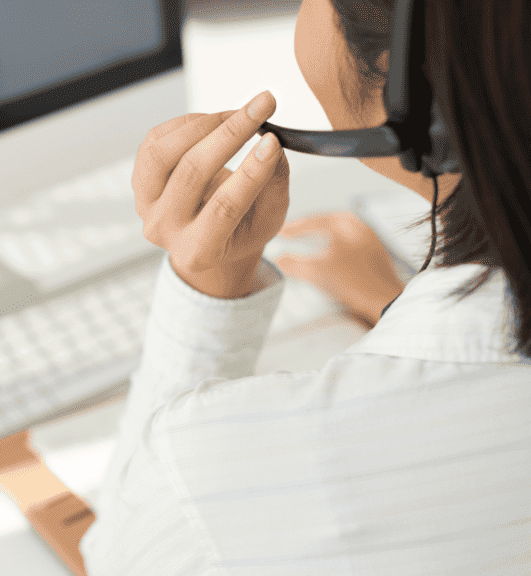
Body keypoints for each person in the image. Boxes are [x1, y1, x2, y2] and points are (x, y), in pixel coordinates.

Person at [80, 0, 531, 574]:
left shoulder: (221, 474)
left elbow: (122, 555)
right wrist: (390, 300)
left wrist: (209, 284)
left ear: (402, 80)